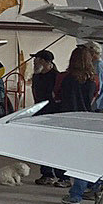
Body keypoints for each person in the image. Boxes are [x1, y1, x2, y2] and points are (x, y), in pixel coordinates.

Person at [59, 45, 102, 204]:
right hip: (87, 120)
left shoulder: (67, 79)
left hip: (70, 121)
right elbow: (93, 99)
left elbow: (59, 98)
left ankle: (76, 194)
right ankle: (99, 184)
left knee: (76, 160)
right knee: (86, 157)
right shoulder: (93, 79)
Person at [30, 50, 67, 186]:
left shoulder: (57, 77)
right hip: (40, 115)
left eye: (37, 59)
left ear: (46, 62)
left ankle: (63, 176)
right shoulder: (36, 76)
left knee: (57, 147)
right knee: (42, 147)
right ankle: (46, 174)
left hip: (54, 115)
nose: (34, 62)